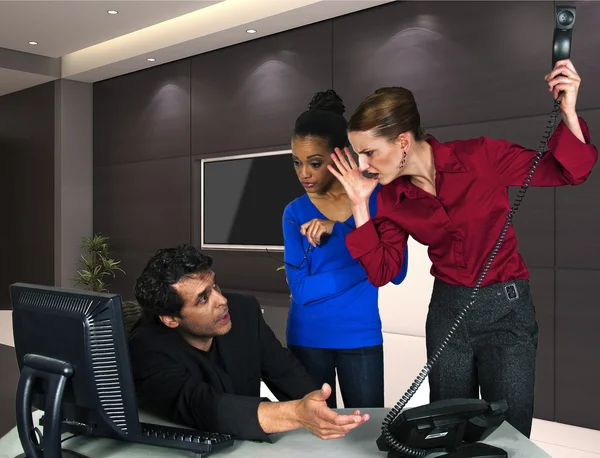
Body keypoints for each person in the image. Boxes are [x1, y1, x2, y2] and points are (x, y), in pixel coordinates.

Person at [326, 59, 598, 438]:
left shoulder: (481, 157)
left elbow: (570, 171)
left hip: (507, 311)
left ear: (403, 141)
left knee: (509, 434)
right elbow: (382, 271)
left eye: (369, 152)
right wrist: (359, 206)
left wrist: (568, 111)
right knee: (450, 429)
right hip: (448, 311)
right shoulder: (390, 198)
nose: (363, 164)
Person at [128, 245, 370, 442]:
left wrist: (321, 414)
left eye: (215, 286)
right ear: (170, 319)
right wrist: (296, 414)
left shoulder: (243, 311)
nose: (222, 300)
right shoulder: (146, 348)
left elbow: (286, 372)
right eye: (203, 298)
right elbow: (204, 406)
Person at [282, 89, 409, 409]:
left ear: (342, 156)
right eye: (296, 162)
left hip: (361, 338)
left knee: (366, 440)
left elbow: (395, 273)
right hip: (305, 337)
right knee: (312, 443)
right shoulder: (294, 212)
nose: (303, 174)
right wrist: (367, 262)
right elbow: (301, 290)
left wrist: (338, 229)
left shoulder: (378, 199)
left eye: (314, 162)